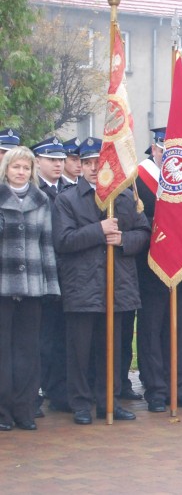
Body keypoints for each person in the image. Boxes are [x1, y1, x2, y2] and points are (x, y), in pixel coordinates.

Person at [53, 138, 151, 424]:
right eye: (88, 163)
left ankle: (109, 400)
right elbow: (63, 240)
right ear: (80, 166)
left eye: (99, 162)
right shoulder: (66, 200)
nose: (95, 168)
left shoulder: (124, 198)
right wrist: (99, 230)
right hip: (82, 287)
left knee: (113, 350)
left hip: (118, 286)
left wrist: (123, 239)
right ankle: (81, 404)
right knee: (80, 352)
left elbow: (143, 233)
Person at [135, 128, 182, 412]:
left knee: (181, 332)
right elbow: (134, 219)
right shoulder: (138, 179)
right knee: (152, 332)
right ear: (155, 149)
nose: (171, 156)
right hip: (152, 268)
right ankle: (156, 391)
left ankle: (179, 387)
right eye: (166, 150)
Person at [0, 146, 61, 431]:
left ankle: (24, 409)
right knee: (4, 351)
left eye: (25, 168)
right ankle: (2, 411)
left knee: (28, 350)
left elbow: (47, 245)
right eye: (16, 167)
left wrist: (50, 285)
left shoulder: (41, 201)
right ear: (6, 170)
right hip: (3, 285)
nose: (21, 172)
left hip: (34, 285)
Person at [30, 138, 73, 415]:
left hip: (68, 276)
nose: (58, 164)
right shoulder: (33, 192)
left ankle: (59, 391)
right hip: (42, 274)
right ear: (38, 162)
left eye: (60, 160)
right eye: (51, 160)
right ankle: (36, 390)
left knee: (61, 337)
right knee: (40, 340)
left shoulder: (70, 190)